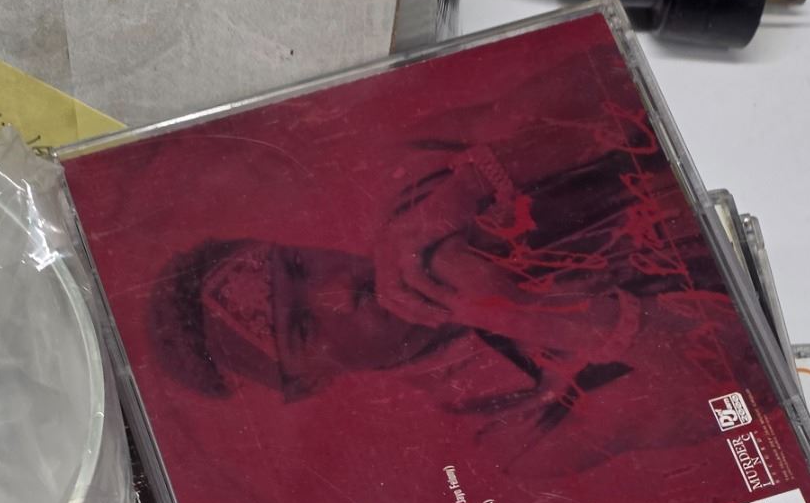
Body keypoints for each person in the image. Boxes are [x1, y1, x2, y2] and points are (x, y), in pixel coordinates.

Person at [145, 96, 745, 456]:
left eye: (298, 266)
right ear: (310, 383)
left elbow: (610, 86)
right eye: (302, 326)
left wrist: (480, 180)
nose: (338, 288)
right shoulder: (506, 432)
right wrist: (525, 312)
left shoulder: (422, 169)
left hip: (728, 138)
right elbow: (742, 391)